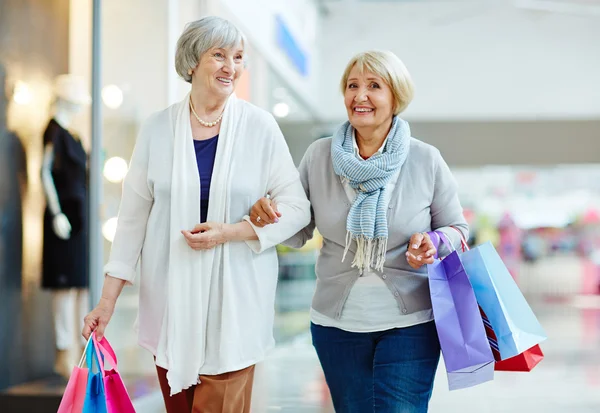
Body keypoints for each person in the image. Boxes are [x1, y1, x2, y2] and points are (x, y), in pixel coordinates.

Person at [82, 16, 310, 413]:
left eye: (237, 57)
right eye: (218, 55)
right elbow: (132, 222)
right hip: (171, 310)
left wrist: (234, 231)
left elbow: (298, 210)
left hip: (235, 309)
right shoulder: (156, 130)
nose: (231, 67)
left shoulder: (260, 129)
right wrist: (106, 303)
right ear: (191, 61)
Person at [250, 50, 468, 413]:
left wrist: (433, 241)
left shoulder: (424, 159)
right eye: (352, 86)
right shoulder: (319, 157)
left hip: (411, 324)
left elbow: (457, 229)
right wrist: (267, 216)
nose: (360, 96)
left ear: (395, 97)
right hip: (336, 326)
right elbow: (297, 230)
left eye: (373, 86)